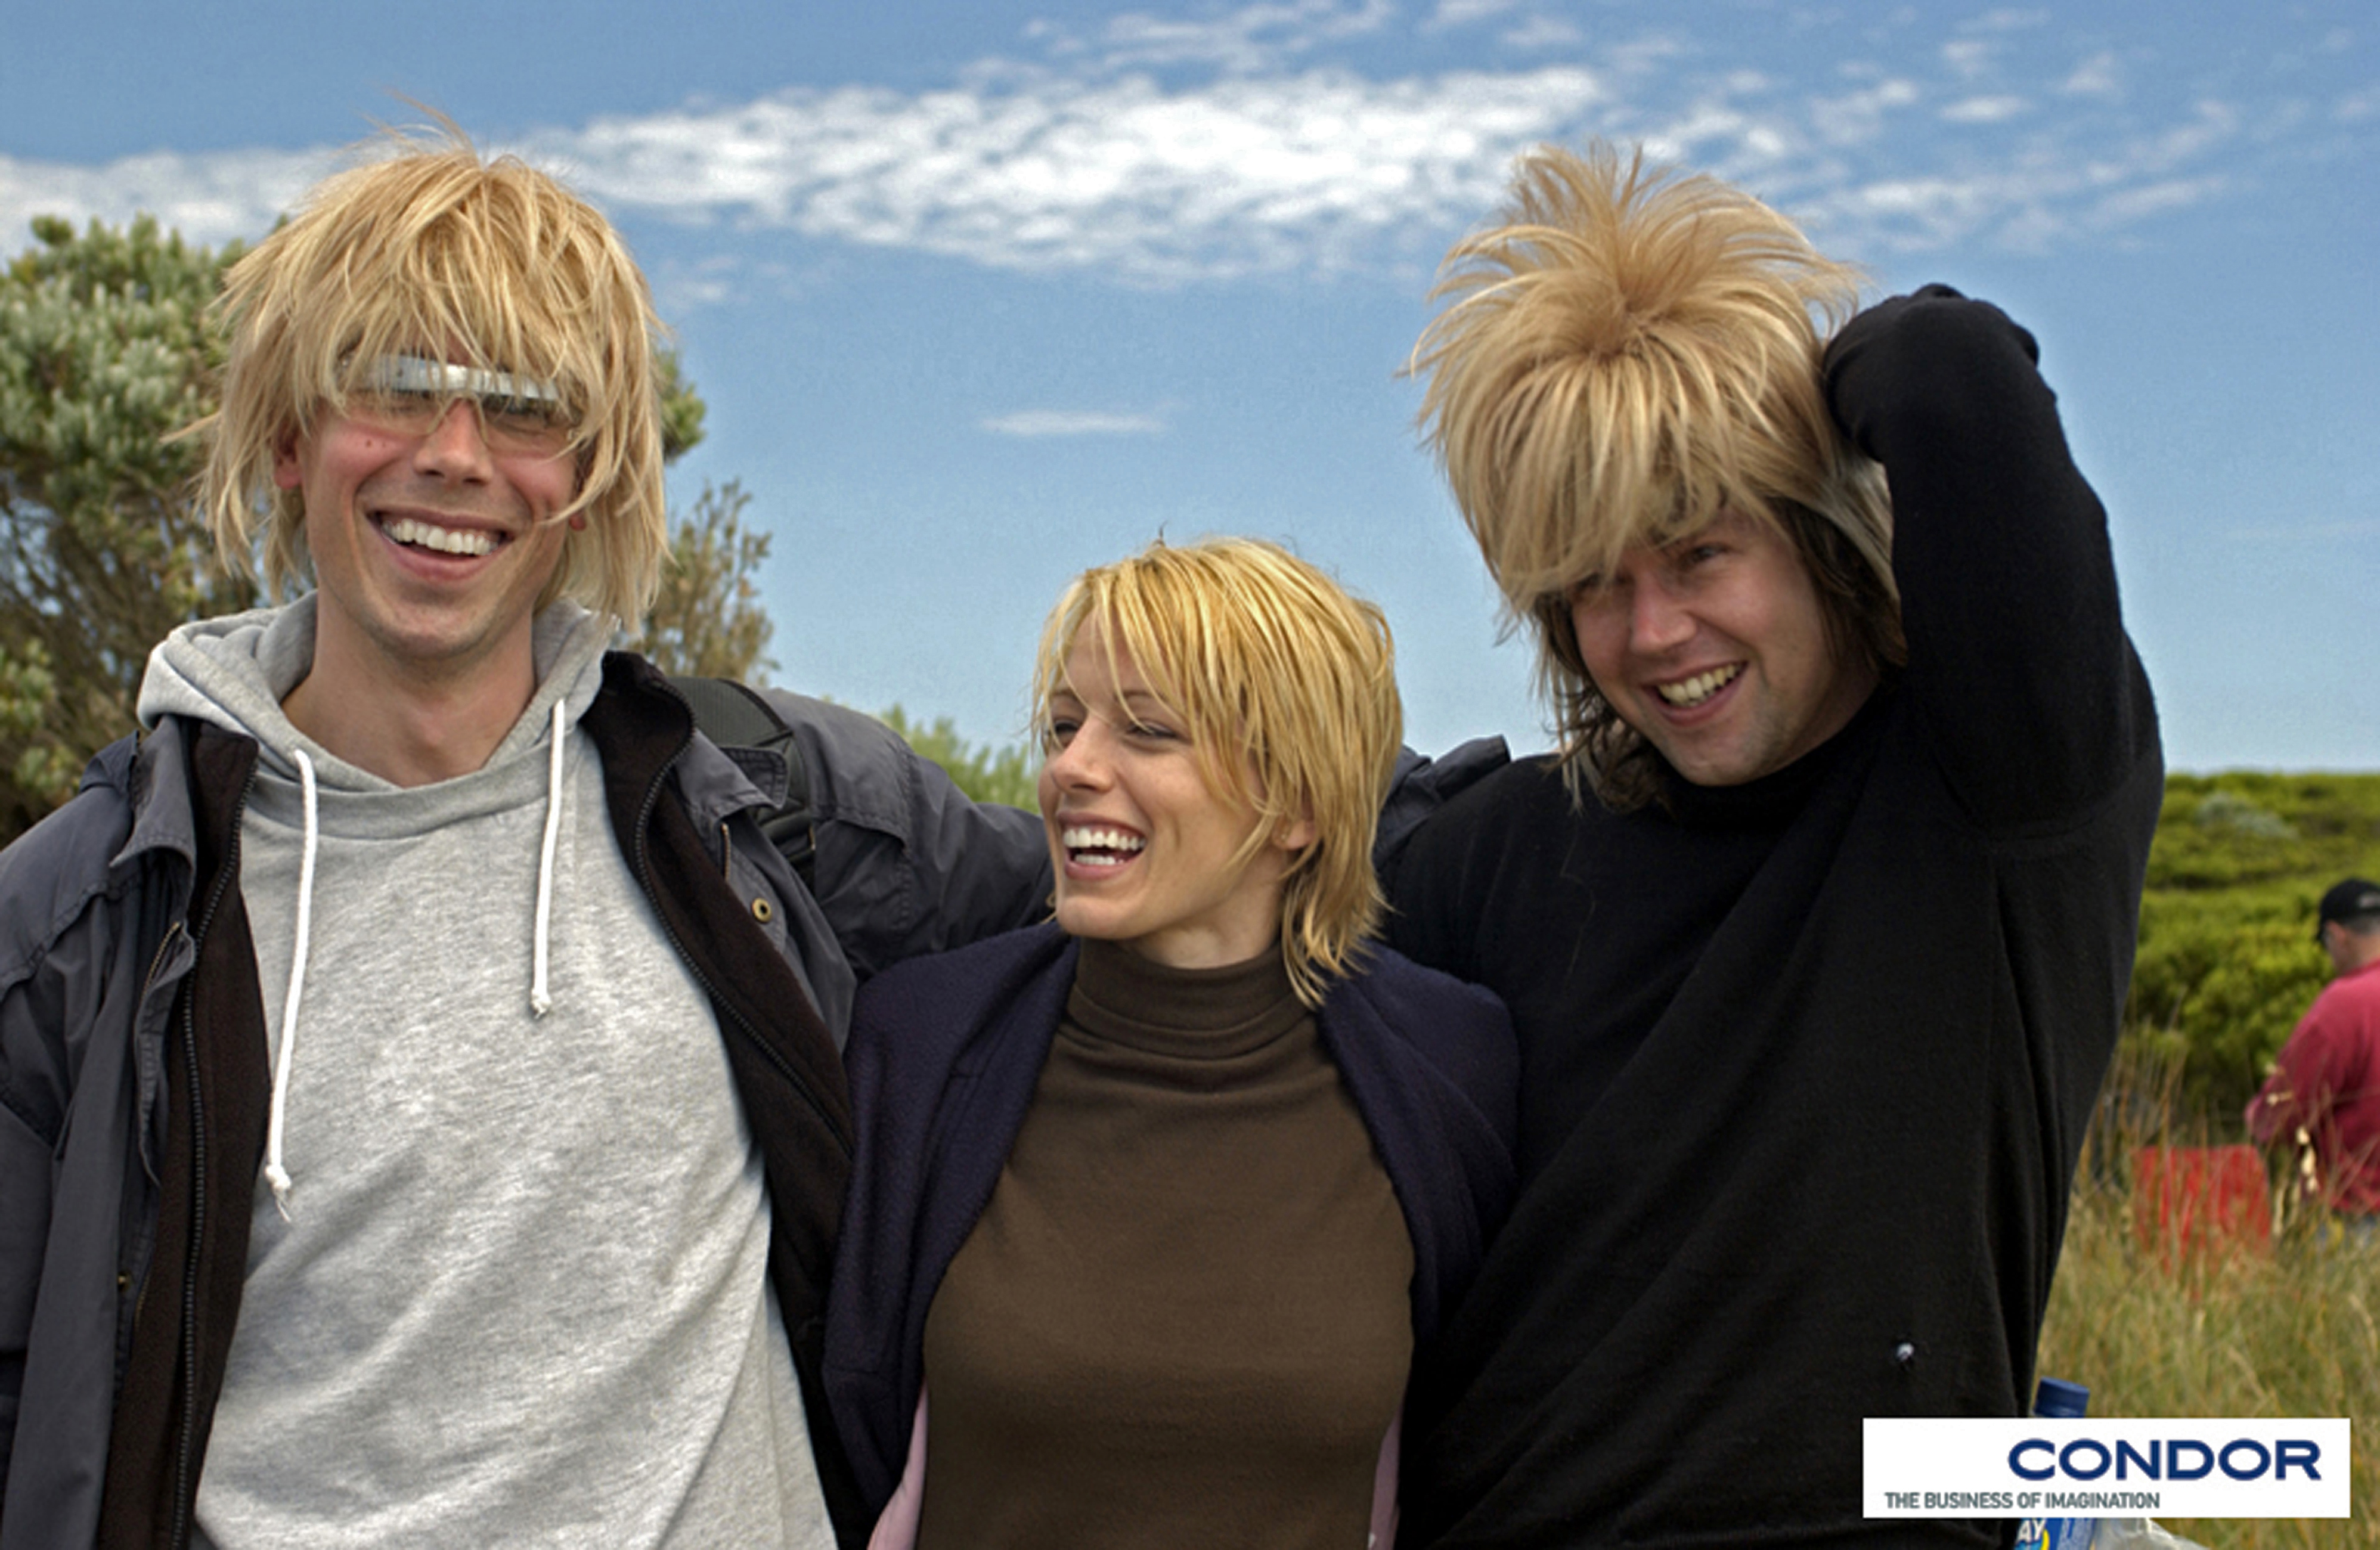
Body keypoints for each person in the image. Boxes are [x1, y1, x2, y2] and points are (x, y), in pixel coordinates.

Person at [0, 137, 1049, 1550]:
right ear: (293, 437)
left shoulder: (763, 805)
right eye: (395, 388)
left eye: (523, 407)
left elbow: (1168, 907)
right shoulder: (80, 926)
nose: (454, 456)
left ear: (592, 469)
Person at [1383, 145, 2162, 1546]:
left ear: (1820, 533)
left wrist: (1741, 385)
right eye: (1590, 588)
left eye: (1697, 552)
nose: (1652, 635)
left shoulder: (1993, 796)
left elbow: (1948, 373)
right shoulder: (1491, 852)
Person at [823, 537, 1519, 1549]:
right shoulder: (916, 1046)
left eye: (1146, 732)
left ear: (1300, 805)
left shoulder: (1452, 1069)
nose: (1070, 766)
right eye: (1065, 725)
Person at [2246, 878, 2380, 1222]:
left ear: (2336, 935)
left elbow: (2284, 1113)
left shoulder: (2345, 1005)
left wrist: (2256, 1120)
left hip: (2357, 1219)